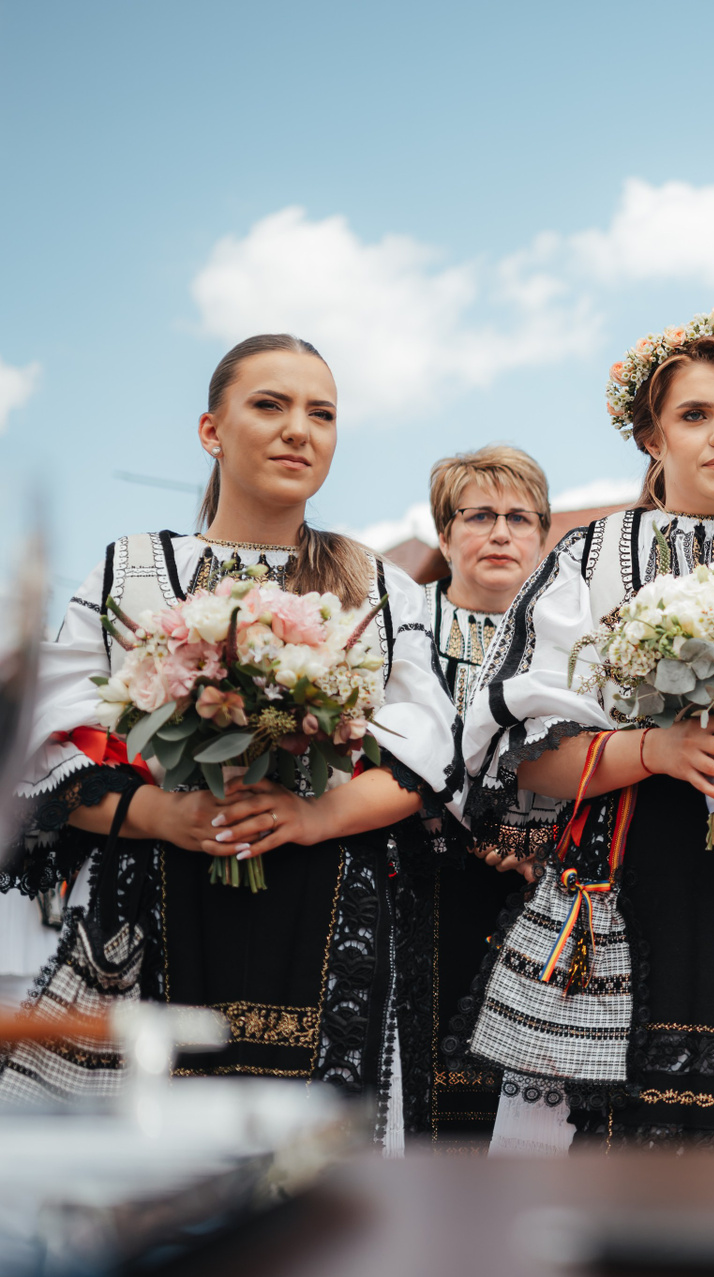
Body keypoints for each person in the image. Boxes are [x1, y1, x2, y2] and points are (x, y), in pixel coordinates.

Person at [0, 334, 457, 1151]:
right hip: (157, 893)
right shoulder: (131, 569)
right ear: (212, 430)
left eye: (321, 413)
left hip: (328, 902)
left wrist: (314, 815)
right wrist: (159, 814)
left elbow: (427, 756)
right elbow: (45, 754)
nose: (299, 430)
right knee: (154, 1156)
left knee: (317, 1169)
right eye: (270, 405)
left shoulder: (378, 583)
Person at [458, 311, 714, 1154]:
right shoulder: (588, 558)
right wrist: (657, 750)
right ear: (651, 436)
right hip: (617, 881)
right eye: (694, 414)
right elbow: (522, 755)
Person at [412, 444, 553, 1144]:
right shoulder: (405, 627)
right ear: (445, 536)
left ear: (542, 537)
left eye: (519, 518)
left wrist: (537, 836)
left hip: (532, 891)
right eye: (479, 516)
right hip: (417, 886)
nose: (501, 533)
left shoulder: (567, 638)